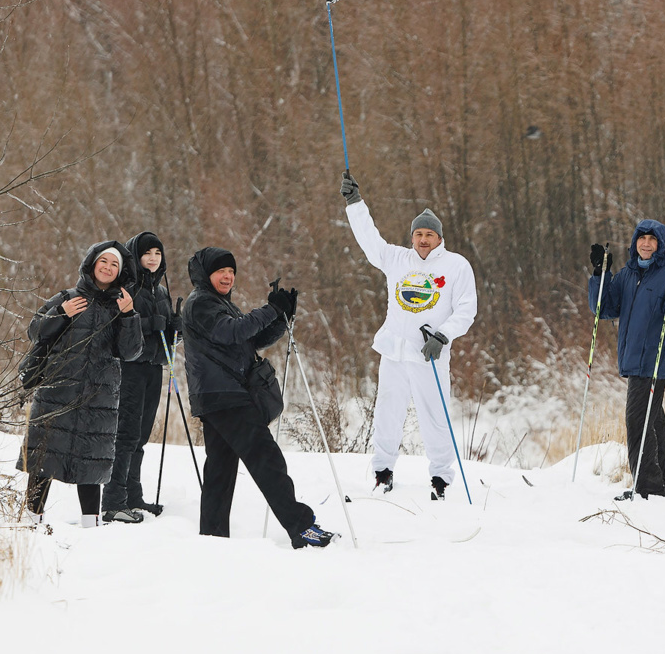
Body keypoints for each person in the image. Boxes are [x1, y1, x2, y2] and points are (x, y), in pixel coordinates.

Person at [181, 246, 333, 547]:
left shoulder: (220, 304)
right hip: (226, 396)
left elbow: (252, 339)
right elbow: (232, 332)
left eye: (231, 271)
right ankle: (301, 527)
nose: (227, 276)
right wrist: (270, 309)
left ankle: (211, 539)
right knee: (267, 459)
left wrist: (280, 316)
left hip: (218, 396)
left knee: (220, 471)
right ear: (205, 274)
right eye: (220, 271)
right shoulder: (200, 303)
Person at [340, 172, 477, 500]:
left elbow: (466, 310)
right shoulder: (397, 259)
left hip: (428, 354)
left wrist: (442, 336)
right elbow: (370, 240)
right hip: (394, 353)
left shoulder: (456, 266)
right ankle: (382, 471)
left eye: (429, 234)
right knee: (388, 413)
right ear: (412, 237)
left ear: (440, 238)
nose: (423, 239)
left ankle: (440, 478)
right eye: (418, 234)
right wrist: (355, 203)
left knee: (434, 416)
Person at [20, 241, 144, 528]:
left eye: (115, 264)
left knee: (93, 458)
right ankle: (31, 520)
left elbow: (131, 352)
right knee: (44, 455)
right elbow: (34, 331)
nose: (108, 267)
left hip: (98, 395)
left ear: (120, 272)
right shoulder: (67, 297)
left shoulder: (122, 306)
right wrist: (61, 313)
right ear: (91, 263)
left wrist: (128, 315)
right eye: (104, 261)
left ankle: (91, 525)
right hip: (57, 390)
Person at [587, 221, 665, 500]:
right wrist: (601, 273)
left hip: (653, 361)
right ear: (635, 241)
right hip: (633, 360)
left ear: (660, 244)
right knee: (653, 421)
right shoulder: (627, 275)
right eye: (641, 238)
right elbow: (605, 308)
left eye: (652, 240)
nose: (646, 244)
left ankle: (648, 488)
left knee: (637, 421)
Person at [103, 231, 176, 523]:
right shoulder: (127, 287)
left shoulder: (161, 290)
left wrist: (174, 329)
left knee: (142, 436)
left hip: (154, 367)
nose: (153, 259)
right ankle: (114, 499)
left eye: (157, 253)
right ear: (137, 256)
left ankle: (134, 496)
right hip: (131, 368)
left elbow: (165, 333)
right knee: (127, 434)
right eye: (147, 254)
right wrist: (149, 324)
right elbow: (116, 325)